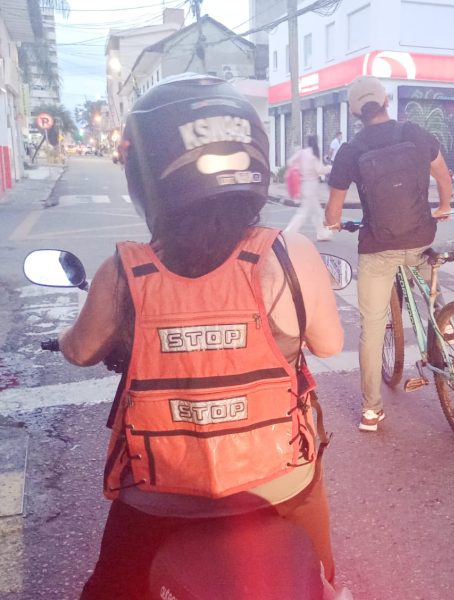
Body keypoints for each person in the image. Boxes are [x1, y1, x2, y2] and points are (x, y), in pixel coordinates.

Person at [57, 74, 344, 599]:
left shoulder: (122, 273)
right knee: (319, 581)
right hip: (278, 481)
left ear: (147, 176)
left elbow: (79, 350)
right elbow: (328, 345)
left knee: (110, 590)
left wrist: (64, 333)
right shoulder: (290, 254)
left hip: (158, 493)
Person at [323, 75, 453, 431]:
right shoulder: (415, 133)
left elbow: (333, 210)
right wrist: (443, 206)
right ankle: (448, 323)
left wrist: (333, 224)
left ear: (355, 113)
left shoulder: (350, 150)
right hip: (420, 237)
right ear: (386, 103)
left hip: (378, 248)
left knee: (373, 328)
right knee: (428, 272)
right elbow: (444, 176)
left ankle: (371, 410)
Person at [285, 135, 333, 241]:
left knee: (317, 212)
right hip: (310, 187)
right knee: (303, 212)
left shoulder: (302, 153)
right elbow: (319, 170)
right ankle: (288, 233)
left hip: (302, 185)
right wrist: (330, 168)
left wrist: (299, 170)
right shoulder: (313, 154)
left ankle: (322, 234)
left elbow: (290, 162)